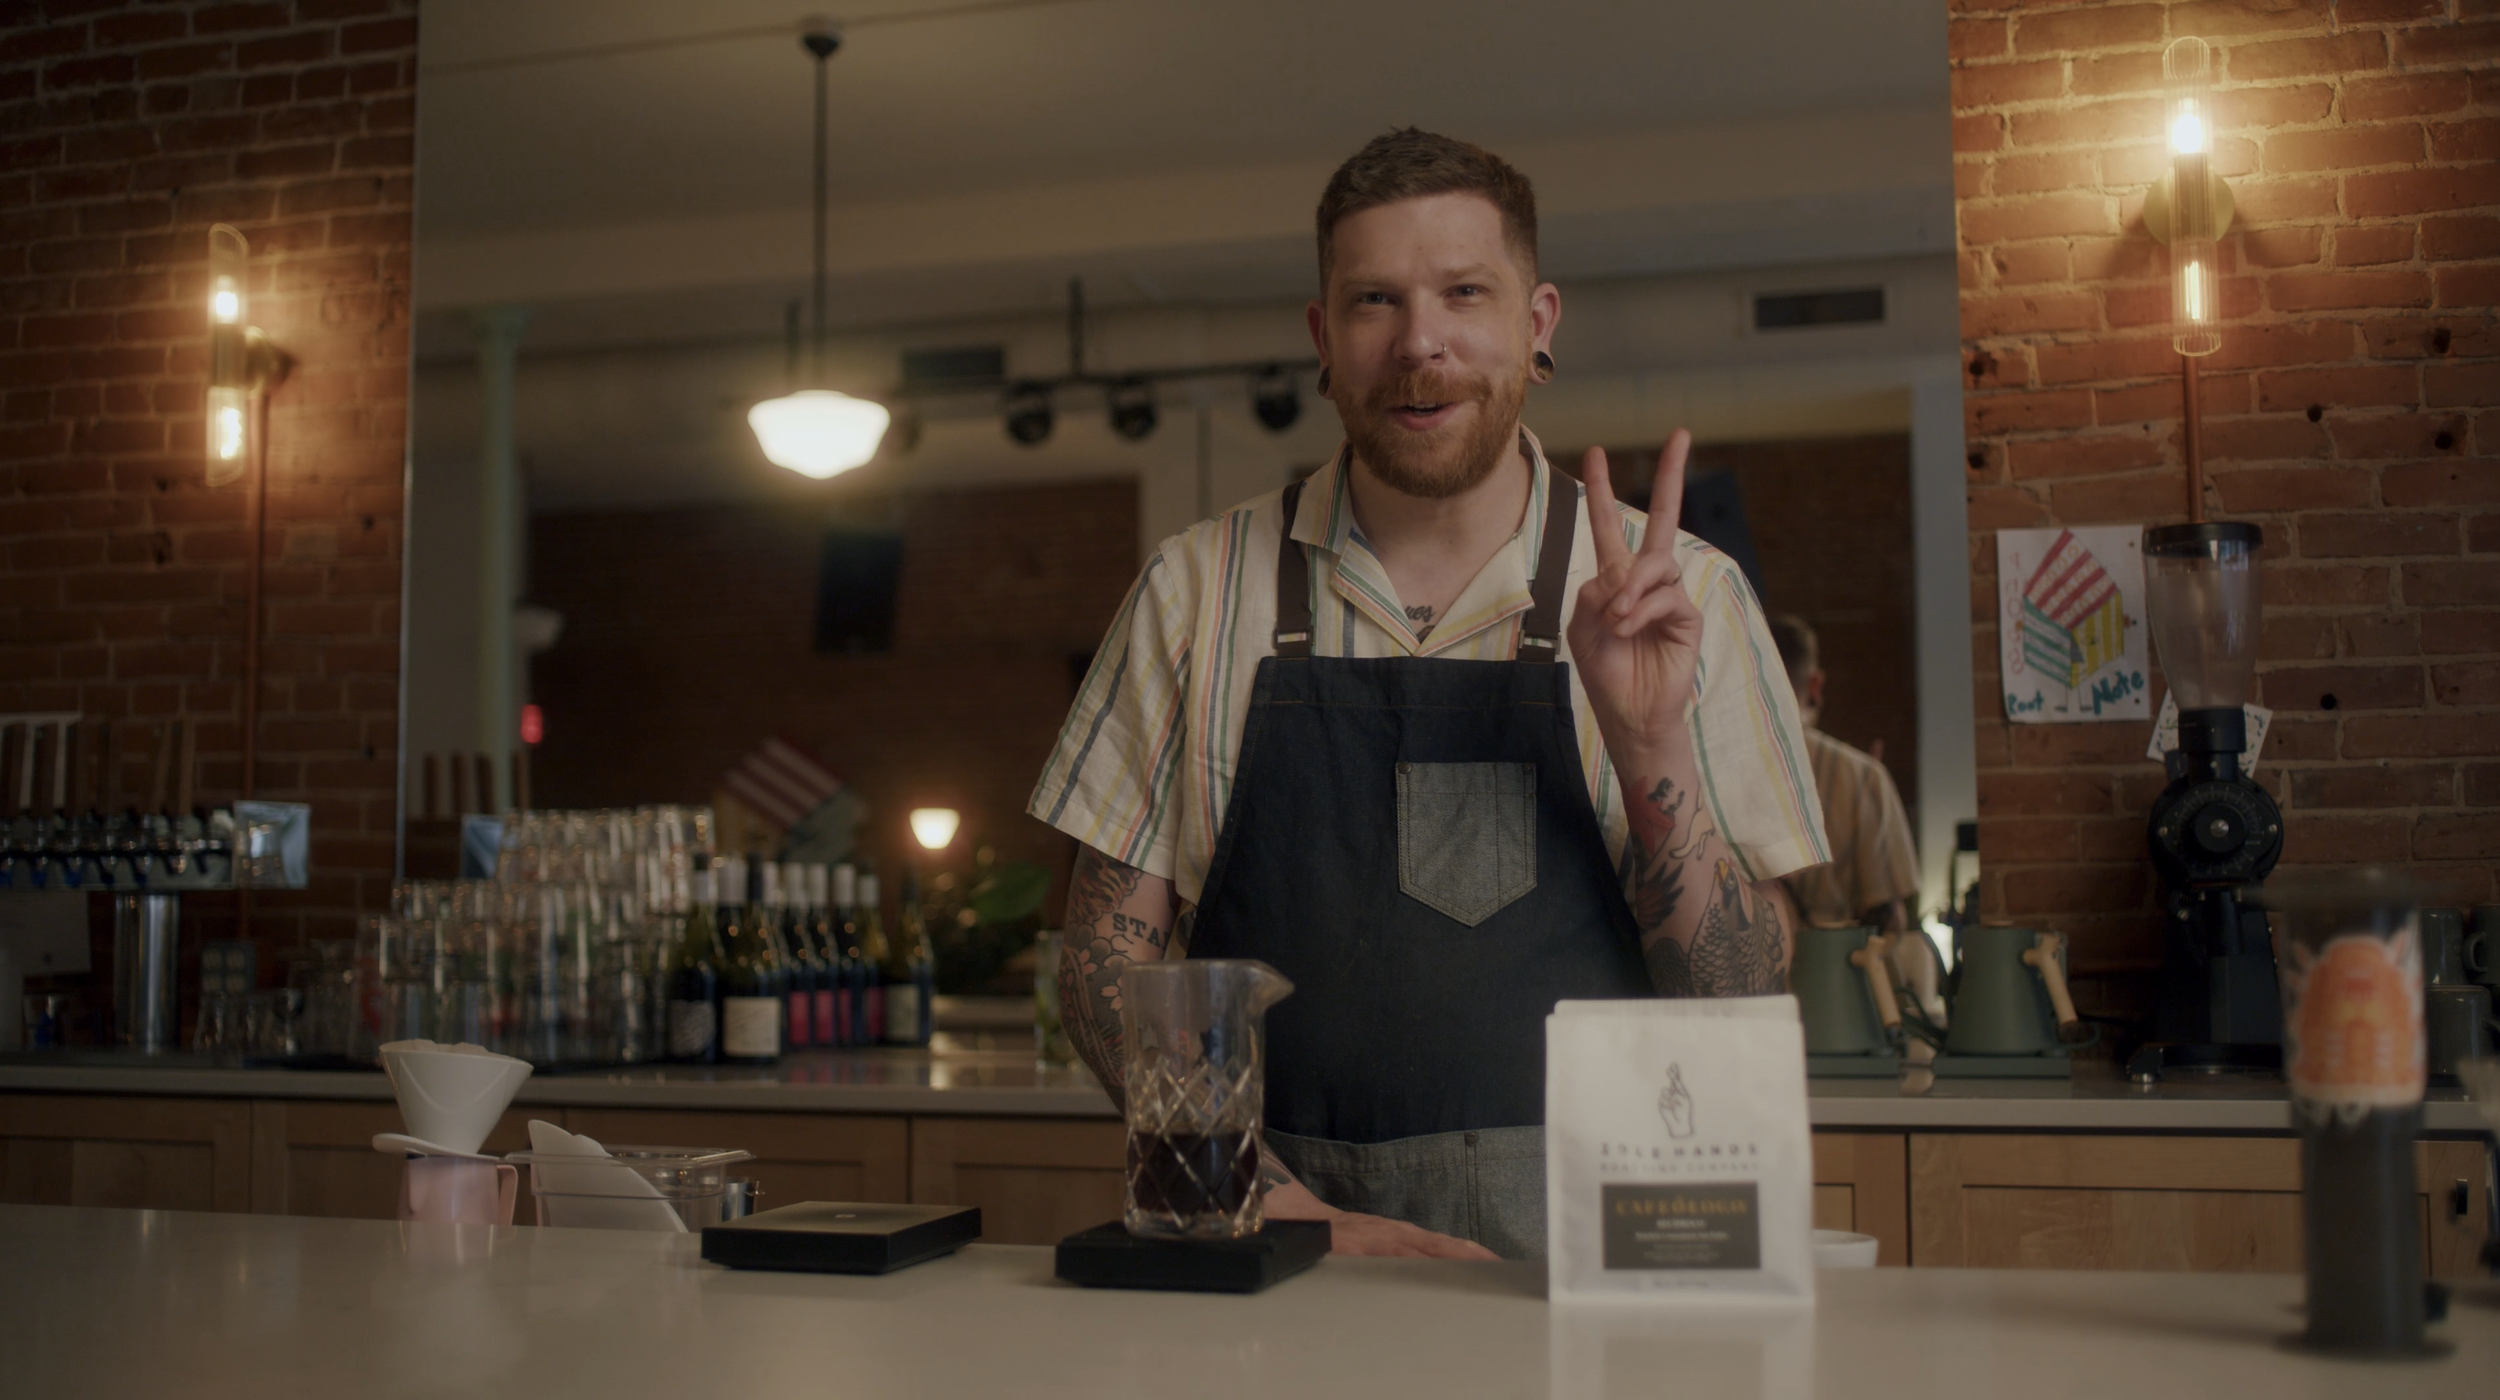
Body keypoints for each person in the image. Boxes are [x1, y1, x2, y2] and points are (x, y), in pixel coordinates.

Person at [1029, 129, 1828, 1261]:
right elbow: (1104, 957)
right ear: (1322, 335)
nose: (1420, 344)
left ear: (1535, 322)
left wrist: (1654, 748)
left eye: (1463, 291)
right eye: (1373, 301)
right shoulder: (1194, 591)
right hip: (1272, 1247)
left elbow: (1735, 992)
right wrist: (1262, 1193)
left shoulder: (1689, 596)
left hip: (1592, 1252)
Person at [1766, 615, 1921, 939]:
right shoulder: (1863, 777)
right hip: (1834, 976)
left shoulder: (1704, 774)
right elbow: (1889, 919)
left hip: (1741, 984)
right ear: (1815, 685)